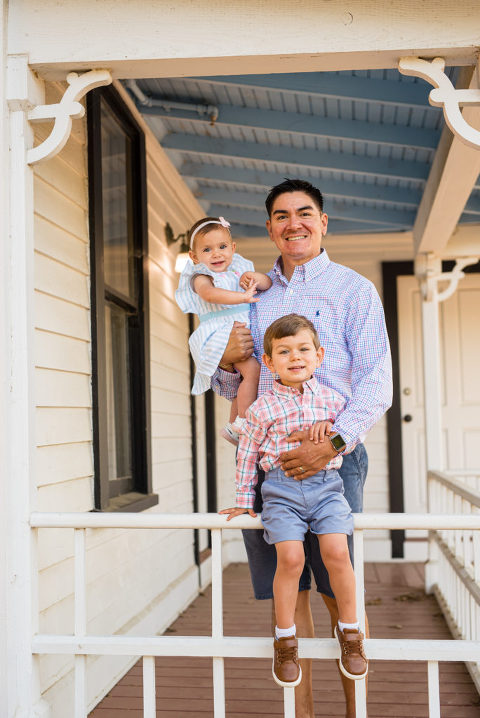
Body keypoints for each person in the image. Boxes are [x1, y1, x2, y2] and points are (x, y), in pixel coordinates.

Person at [212, 179, 392, 718]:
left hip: (335, 458)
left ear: (323, 221)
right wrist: (223, 360)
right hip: (269, 462)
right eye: (282, 215)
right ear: (269, 227)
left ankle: (354, 712)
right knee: (291, 588)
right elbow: (237, 387)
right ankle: (304, 714)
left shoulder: (353, 289)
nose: (294, 222)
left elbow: (377, 381)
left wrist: (332, 444)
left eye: (305, 212)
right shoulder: (251, 296)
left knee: (340, 584)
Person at [220, 314, 368, 688]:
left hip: (327, 488)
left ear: (319, 356)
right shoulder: (261, 409)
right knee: (291, 558)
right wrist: (242, 500)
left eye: (303, 350)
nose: (295, 357)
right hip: (280, 493)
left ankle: (351, 634)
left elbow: (348, 434)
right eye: (284, 352)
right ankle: (285, 640)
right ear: (269, 363)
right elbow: (247, 456)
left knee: (337, 552)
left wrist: (330, 433)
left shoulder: (337, 402)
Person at [175, 215, 272, 443]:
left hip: (238, 332)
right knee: (254, 372)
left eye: (222, 246)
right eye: (207, 250)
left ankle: (233, 426)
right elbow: (210, 294)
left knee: (245, 381)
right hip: (219, 332)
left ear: (233, 248)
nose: (217, 253)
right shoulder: (200, 276)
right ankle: (244, 423)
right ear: (194, 256)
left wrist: (255, 278)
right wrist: (242, 297)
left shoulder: (238, 271)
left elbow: (268, 284)